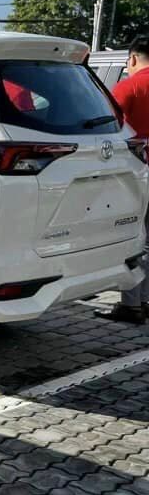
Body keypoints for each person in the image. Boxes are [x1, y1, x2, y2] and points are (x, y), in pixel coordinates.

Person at [100, 34, 149, 324]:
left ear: (131, 58)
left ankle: (131, 305)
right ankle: (144, 301)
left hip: (138, 171)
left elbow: (107, 127)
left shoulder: (128, 87)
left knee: (133, 237)